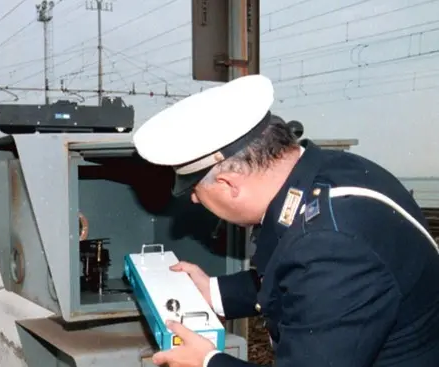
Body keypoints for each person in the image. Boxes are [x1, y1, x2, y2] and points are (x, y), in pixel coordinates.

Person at [131, 74, 439, 367]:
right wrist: (213, 291)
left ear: (228, 184)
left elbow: (317, 271)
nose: (196, 200)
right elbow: (299, 279)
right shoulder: (334, 172)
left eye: (196, 190)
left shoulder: (331, 245)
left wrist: (207, 361)